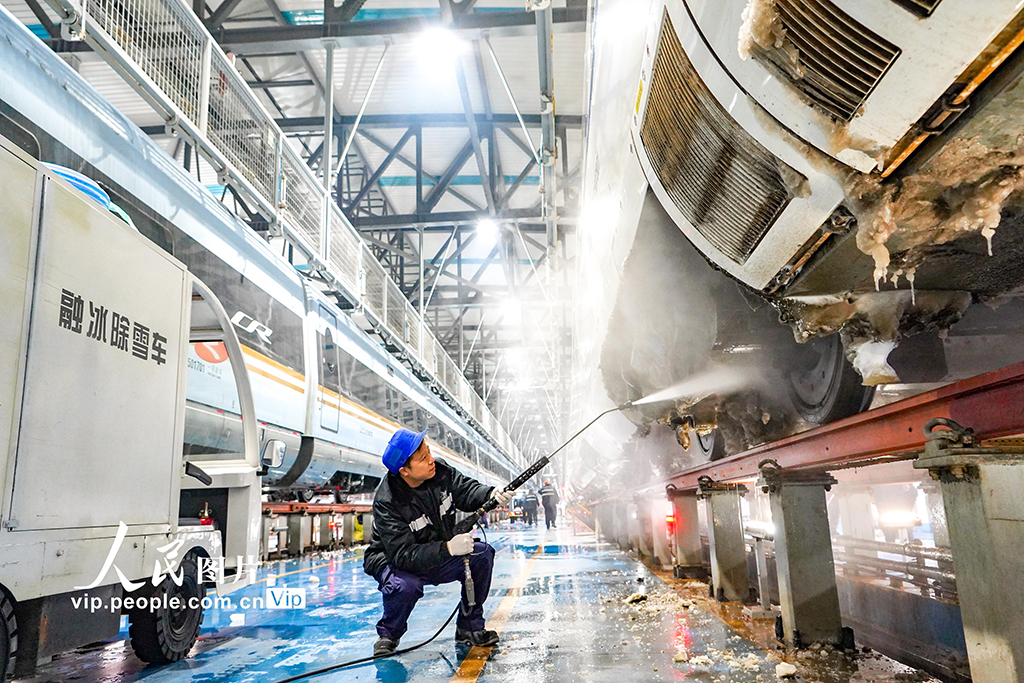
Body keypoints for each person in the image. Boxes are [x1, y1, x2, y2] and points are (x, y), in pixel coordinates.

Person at [363, 428, 514, 656]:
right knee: (405, 586)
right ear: (404, 470)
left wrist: (491, 493)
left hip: (436, 553)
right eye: (423, 458)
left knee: (482, 556)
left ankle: (469, 628)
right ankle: (389, 636)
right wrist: (448, 548)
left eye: (429, 452)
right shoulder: (388, 501)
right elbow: (403, 555)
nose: (431, 460)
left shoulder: (441, 472)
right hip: (395, 561)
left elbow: (466, 490)